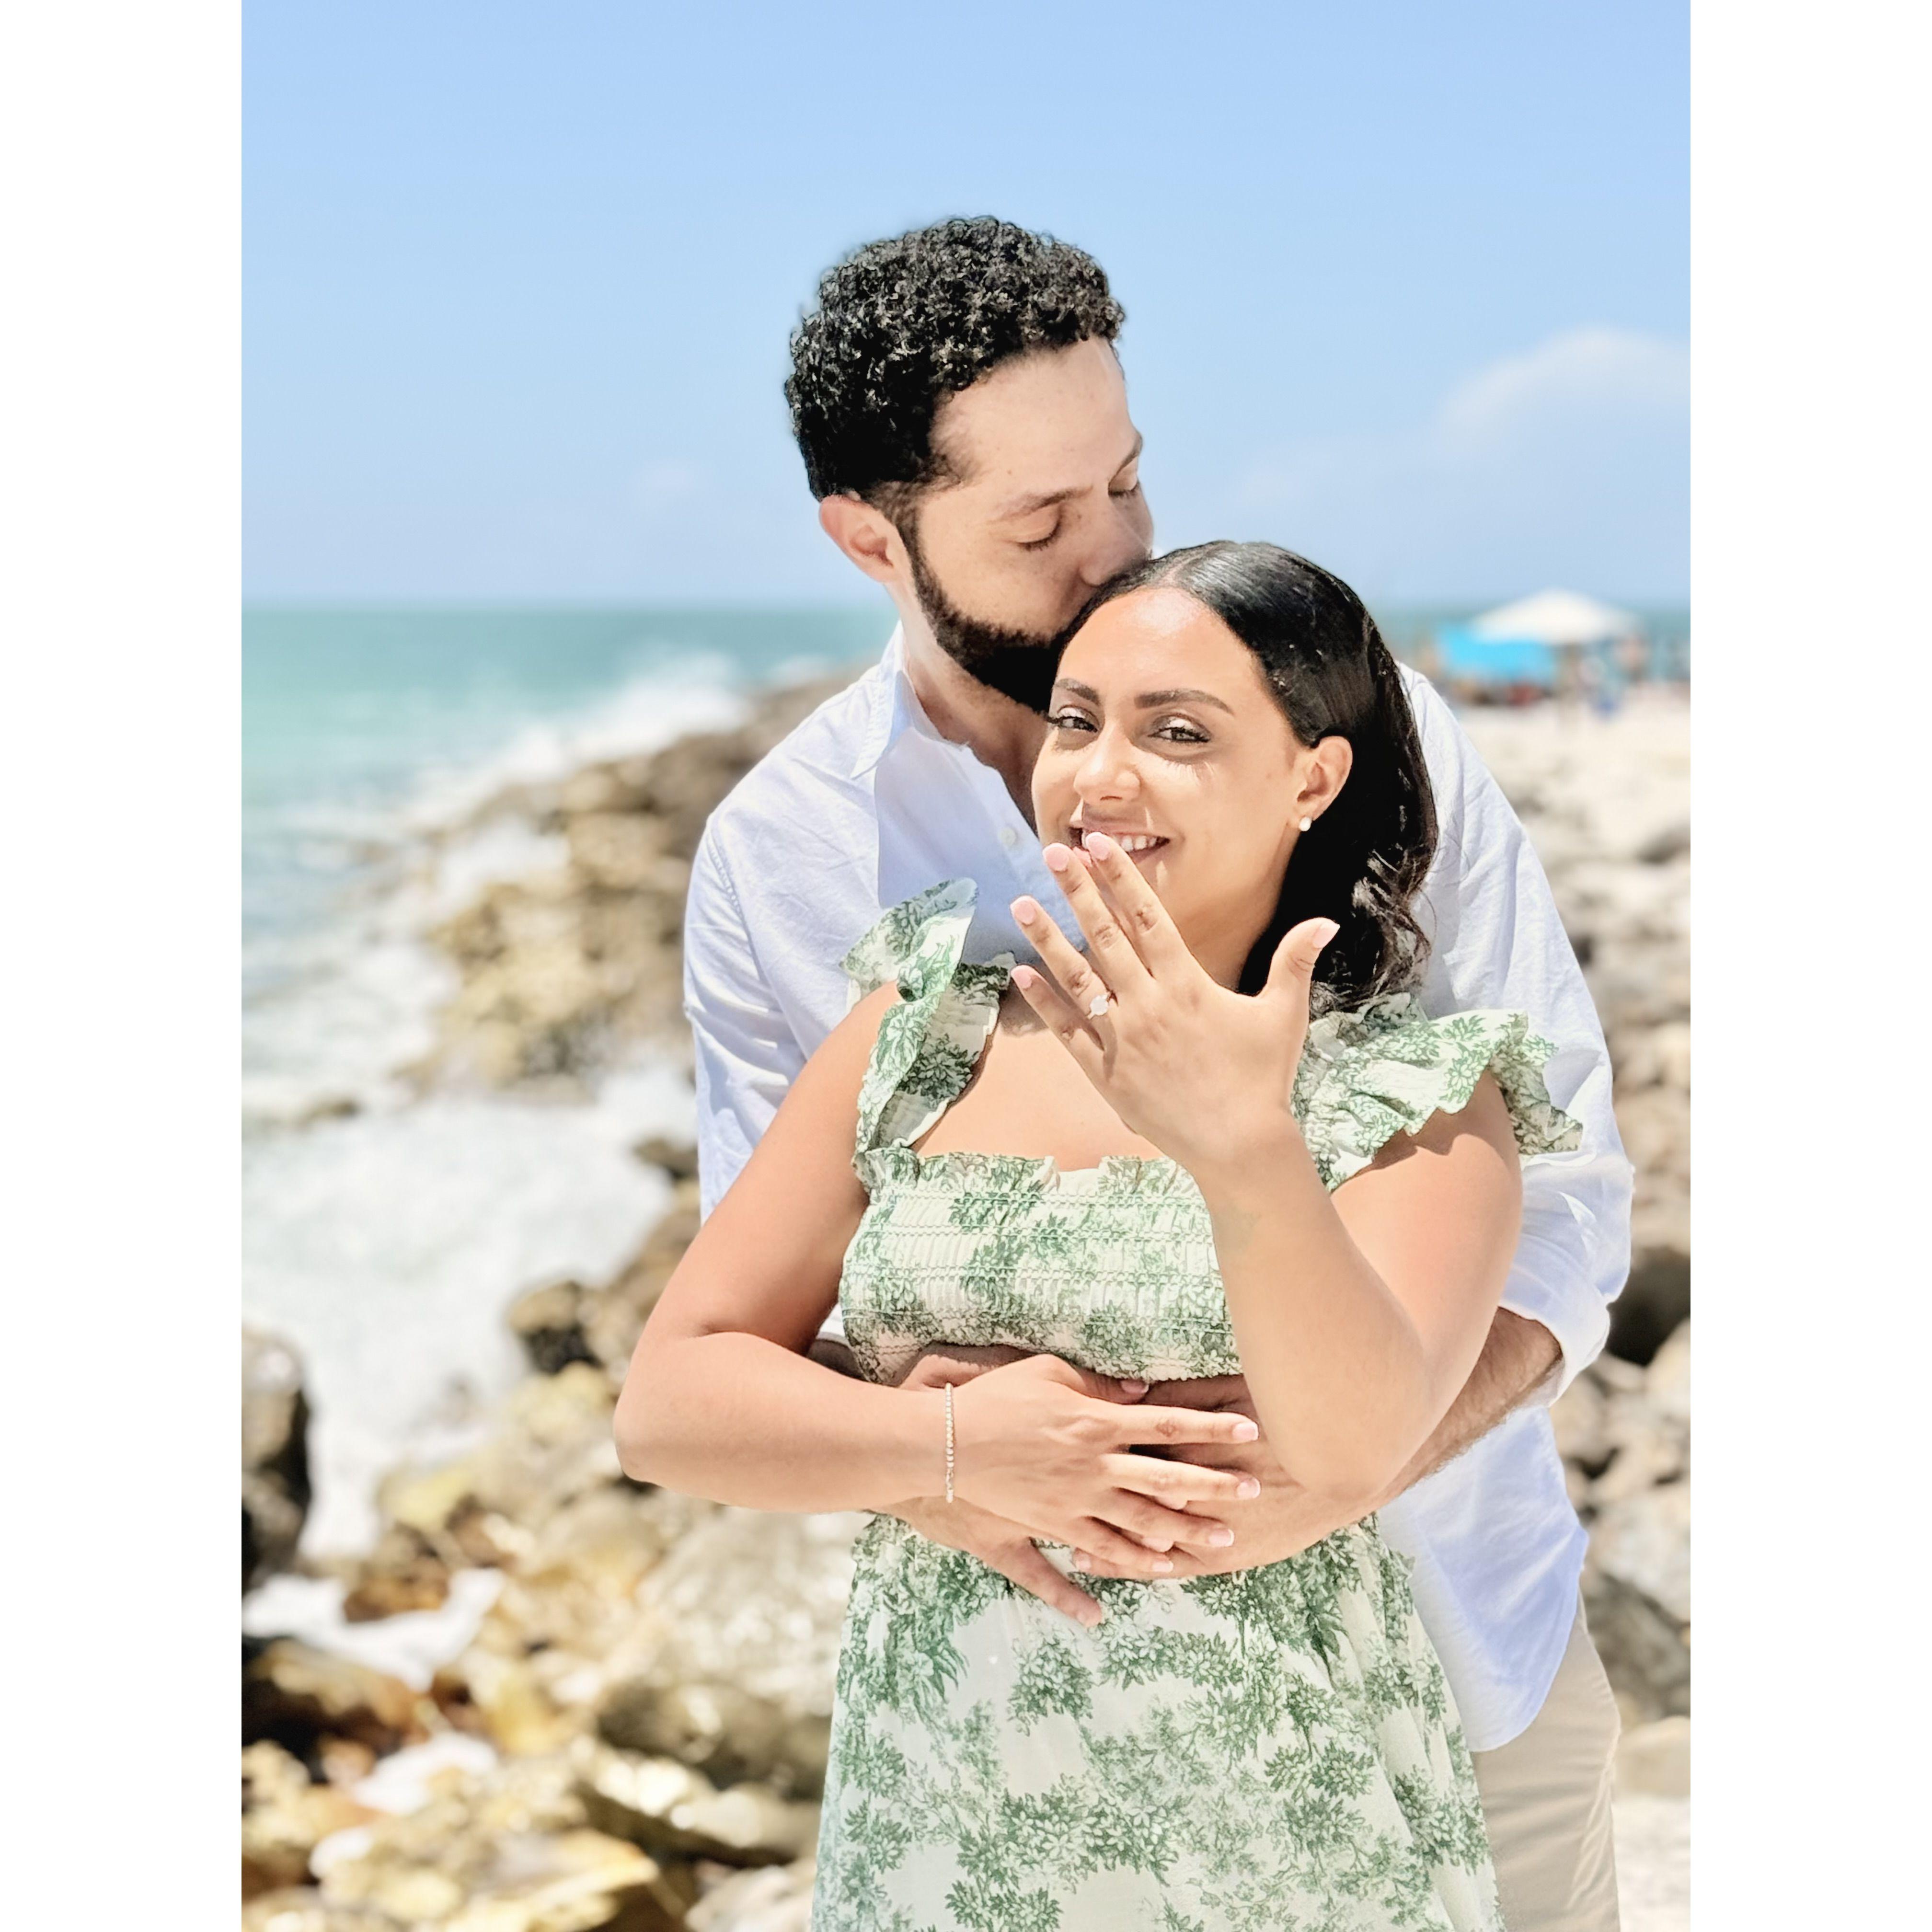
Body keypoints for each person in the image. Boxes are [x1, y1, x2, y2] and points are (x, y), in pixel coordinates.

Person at [666, 220, 1633, 1929]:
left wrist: (1317, 1480)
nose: (1115, 548)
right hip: (998, 1769)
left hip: (1452, 1663)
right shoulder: (787, 859)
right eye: (1041, 523)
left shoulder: (1377, 735)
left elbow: (1562, 1203)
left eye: (1123, 480)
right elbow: (764, 1326)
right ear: (872, 537)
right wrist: (957, 1450)